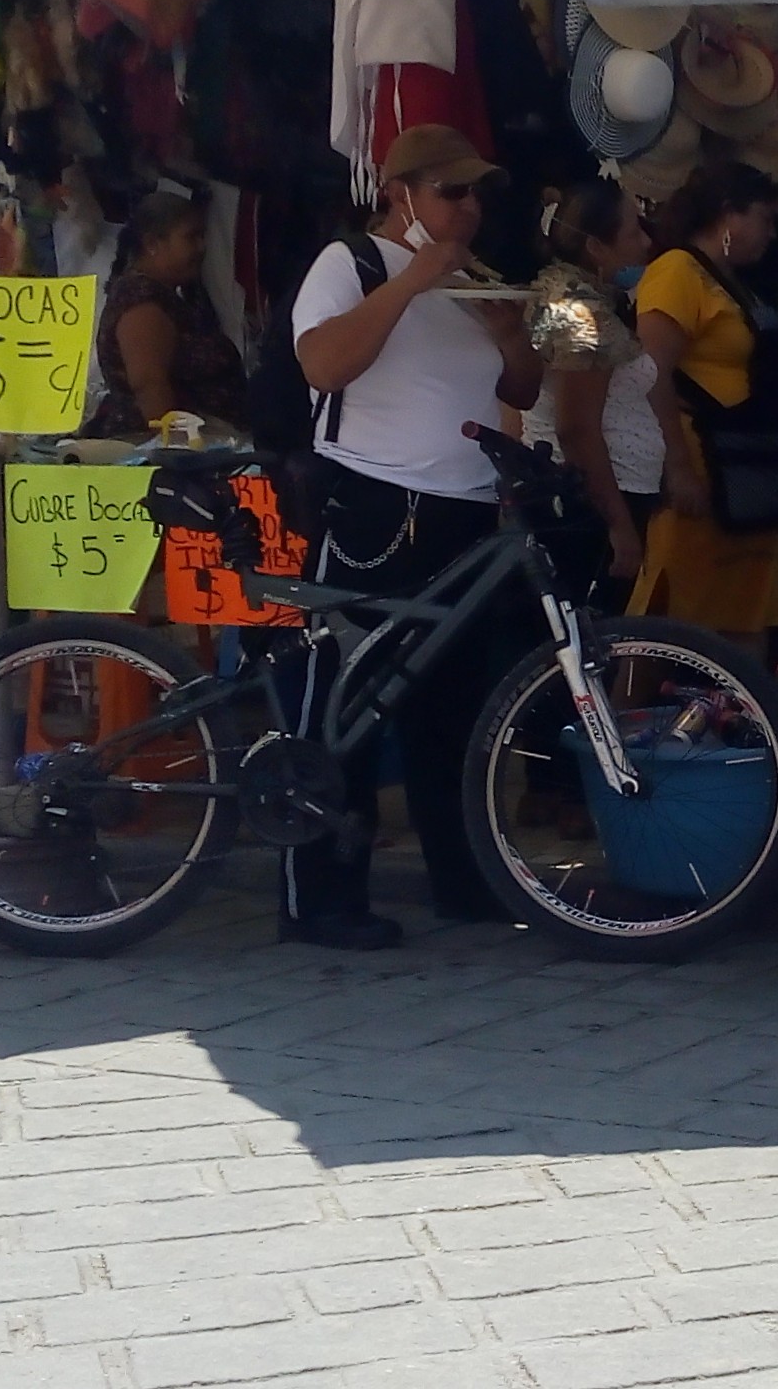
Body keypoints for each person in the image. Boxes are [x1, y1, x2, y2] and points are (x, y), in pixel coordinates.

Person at [288, 123, 546, 951]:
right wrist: (416, 278)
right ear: (401, 194)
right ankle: (322, 897)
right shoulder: (352, 265)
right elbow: (323, 367)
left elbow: (520, 385)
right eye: (451, 192)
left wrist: (510, 337)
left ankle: (461, 878)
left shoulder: (474, 279)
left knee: (454, 708)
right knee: (350, 701)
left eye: (476, 194)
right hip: (375, 504)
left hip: (464, 509)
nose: (470, 209)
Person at [632, 162, 778, 649]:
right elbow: (651, 374)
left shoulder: (735, 283)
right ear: (729, 215)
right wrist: (678, 468)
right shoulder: (676, 272)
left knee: (745, 610)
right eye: (764, 219)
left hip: (752, 470)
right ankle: (628, 718)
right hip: (704, 465)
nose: (772, 233)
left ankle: (744, 719)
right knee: (671, 613)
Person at [529, 178, 663, 604]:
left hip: (601, 497)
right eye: (632, 232)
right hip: (592, 508)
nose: (645, 243)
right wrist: (618, 525)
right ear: (596, 249)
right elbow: (576, 428)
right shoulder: (577, 312)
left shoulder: (580, 299)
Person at [87, 192, 252, 439]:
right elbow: (150, 387)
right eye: (191, 237)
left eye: (202, 236)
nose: (202, 247)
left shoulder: (162, 297)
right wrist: (179, 450)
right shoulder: (142, 302)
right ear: (153, 244)